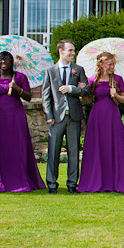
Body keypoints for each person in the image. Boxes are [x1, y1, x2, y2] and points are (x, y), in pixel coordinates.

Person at [0, 51, 44, 192]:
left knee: (17, 146)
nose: (4, 62)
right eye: (1, 60)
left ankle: (19, 178)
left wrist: (19, 90)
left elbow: (29, 97)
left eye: (7, 60)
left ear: (12, 62)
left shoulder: (20, 77)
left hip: (15, 116)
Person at [77, 52, 124, 193]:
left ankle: (115, 181)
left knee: (113, 146)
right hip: (97, 118)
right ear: (101, 65)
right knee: (97, 147)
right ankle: (96, 180)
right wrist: (82, 91)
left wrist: (115, 95)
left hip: (112, 117)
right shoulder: (93, 80)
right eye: (109, 64)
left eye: (113, 64)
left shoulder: (118, 79)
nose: (112, 67)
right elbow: (87, 101)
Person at [41, 39, 91, 194]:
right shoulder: (50, 71)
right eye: (70, 50)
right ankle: (52, 183)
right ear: (60, 51)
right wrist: (49, 115)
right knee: (53, 151)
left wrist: (72, 88)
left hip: (74, 117)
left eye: (73, 50)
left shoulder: (78, 70)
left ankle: (71, 183)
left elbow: (86, 90)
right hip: (56, 117)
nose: (72, 53)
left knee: (74, 151)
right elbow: (46, 96)